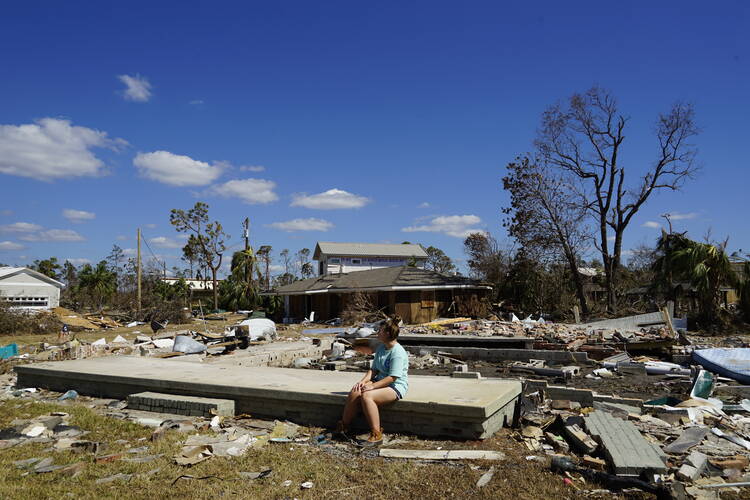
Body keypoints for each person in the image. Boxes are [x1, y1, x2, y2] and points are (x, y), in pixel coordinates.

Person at [335, 314, 408, 446]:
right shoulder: (381, 348)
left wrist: (372, 387)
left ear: (387, 333)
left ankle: (376, 434)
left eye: (379, 331)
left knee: (367, 396)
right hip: (380, 381)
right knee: (355, 391)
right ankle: (343, 427)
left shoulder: (397, 352)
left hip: (395, 386)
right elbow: (373, 370)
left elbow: (393, 377)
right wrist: (363, 382)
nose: (377, 333)